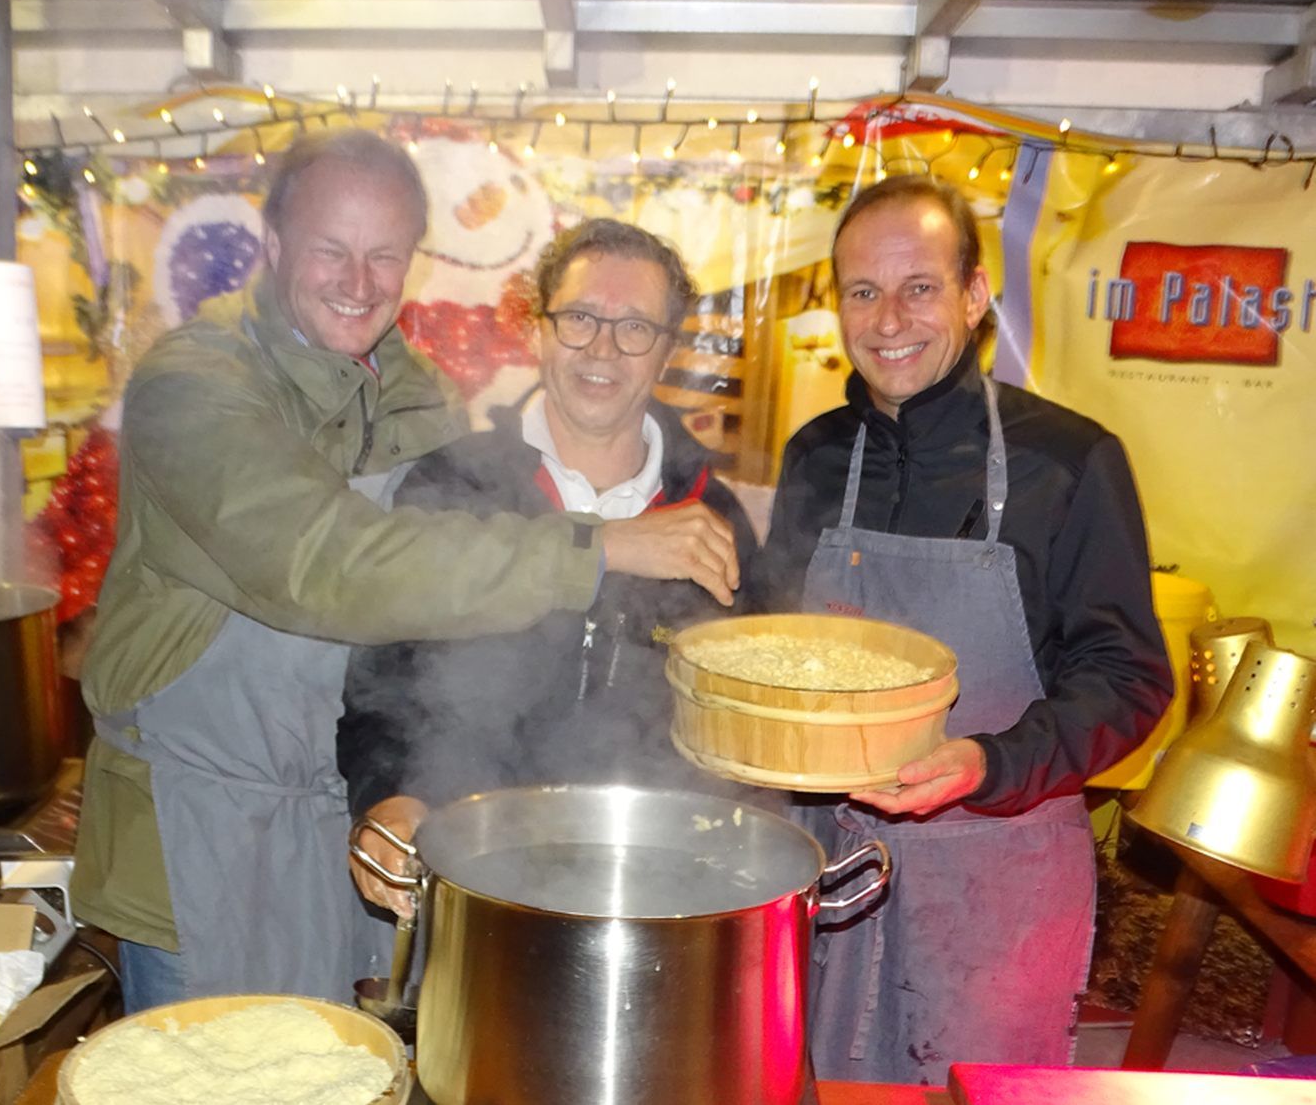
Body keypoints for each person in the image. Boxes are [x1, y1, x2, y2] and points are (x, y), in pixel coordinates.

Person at [69, 131, 741, 1013]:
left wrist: (411, 789)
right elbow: (323, 563)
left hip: (368, 829)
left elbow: (437, 647)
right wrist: (597, 544)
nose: (358, 280)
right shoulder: (196, 381)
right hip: (210, 820)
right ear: (272, 245)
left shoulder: (419, 399)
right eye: (331, 249)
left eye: (384, 255)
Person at [750, 175, 1173, 1085]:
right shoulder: (817, 457)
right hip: (829, 867)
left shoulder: (1068, 460)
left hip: (995, 879)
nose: (888, 318)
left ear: (975, 297)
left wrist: (992, 760)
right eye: (862, 290)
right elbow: (767, 640)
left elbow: (1128, 676)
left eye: (920, 287)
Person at [339, 219, 772, 914]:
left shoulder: (711, 519)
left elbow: (744, 733)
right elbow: (382, 682)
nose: (602, 347)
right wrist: (388, 795)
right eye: (578, 318)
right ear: (537, 330)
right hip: (468, 885)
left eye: (634, 327)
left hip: (656, 900)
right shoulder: (455, 482)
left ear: (666, 352)